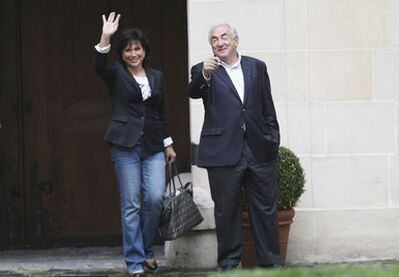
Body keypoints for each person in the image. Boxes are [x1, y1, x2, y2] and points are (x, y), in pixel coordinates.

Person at [188, 22, 281, 270]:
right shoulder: (203, 70)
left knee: (265, 210)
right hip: (223, 154)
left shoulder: (257, 67)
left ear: (236, 40)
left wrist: (272, 140)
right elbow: (193, 91)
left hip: (258, 151)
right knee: (226, 212)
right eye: (215, 40)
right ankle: (229, 265)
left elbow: (267, 106)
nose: (220, 42)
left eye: (224, 37)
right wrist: (205, 74)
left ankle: (271, 265)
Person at [93, 12, 176, 277]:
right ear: (122, 53)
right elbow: (98, 64)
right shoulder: (115, 73)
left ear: (144, 51)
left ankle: (147, 249)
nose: (132, 53)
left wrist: (168, 144)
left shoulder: (157, 77)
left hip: (152, 146)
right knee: (131, 204)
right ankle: (135, 261)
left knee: (154, 199)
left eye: (137, 48)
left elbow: (159, 113)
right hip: (125, 146)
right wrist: (106, 36)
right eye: (127, 49)